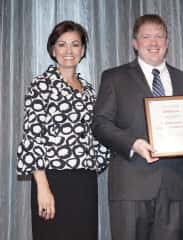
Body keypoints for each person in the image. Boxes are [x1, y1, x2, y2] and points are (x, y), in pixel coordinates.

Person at [92, 14, 183, 240]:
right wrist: (133, 144)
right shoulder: (114, 77)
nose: (153, 43)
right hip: (131, 186)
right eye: (146, 37)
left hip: (174, 189)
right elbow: (100, 124)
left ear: (167, 42)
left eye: (159, 36)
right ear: (135, 43)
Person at [16, 20, 110, 240]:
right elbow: (33, 136)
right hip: (53, 180)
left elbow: (98, 137)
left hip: (85, 182)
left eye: (75, 44)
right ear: (53, 49)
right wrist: (43, 187)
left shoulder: (90, 91)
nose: (69, 51)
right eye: (62, 44)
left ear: (83, 50)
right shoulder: (41, 85)